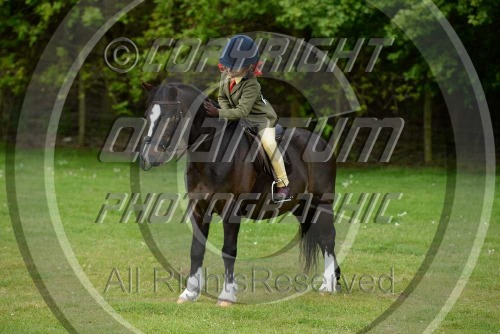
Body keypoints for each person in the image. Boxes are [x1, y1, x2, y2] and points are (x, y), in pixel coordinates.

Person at [203, 35, 291, 202]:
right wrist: (226, 111)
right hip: (239, 116)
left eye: (233, 67)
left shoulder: (252, 84)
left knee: (269, 144)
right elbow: (221, 97)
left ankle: (283, 184)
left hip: (261, 120)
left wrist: (220, 113)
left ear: (248, 67)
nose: (228, 69)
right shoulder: (226, 75)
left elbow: (243, 111)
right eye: (227, 65)